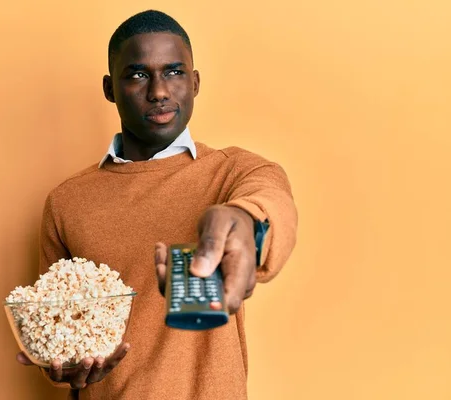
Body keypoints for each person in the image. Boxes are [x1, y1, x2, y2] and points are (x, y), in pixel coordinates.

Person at [16, 9, 298, 400]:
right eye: (137, 75)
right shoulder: (67, 201)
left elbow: (271, 203)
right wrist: (64, 366)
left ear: (195, 82)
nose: (159, 91)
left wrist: (242, 221)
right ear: (109, 88)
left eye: (174, 72)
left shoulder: (233, 173)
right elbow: (56, 334)